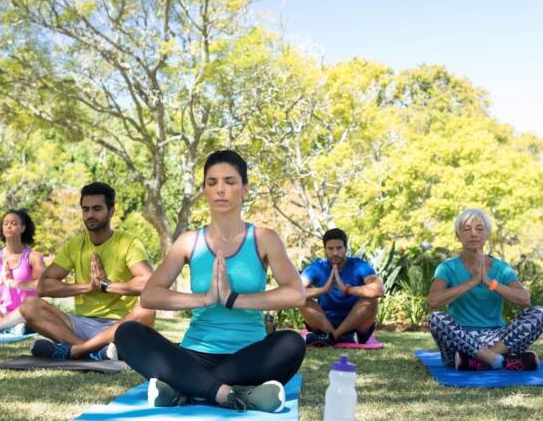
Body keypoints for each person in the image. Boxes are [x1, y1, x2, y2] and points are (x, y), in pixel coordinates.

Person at [115, 150, 306, 413]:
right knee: (128, 332)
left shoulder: (264, 238)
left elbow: (296, 294)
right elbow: (150, 295)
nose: (220, 190)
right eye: (212, 182)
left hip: (248, 358)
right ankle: (230, 393)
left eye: (230, 181)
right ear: (204, 190)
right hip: (194, 355)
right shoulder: (189, 241)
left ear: (245, 189)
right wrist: (203, 299)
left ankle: (185, 388)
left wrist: (233, 299)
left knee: (292, 342)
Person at [19, 182, 155, 360]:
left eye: (97, 208)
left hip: (120, 325)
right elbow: (44, 286)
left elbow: (149, 283)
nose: (90, 214)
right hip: (81, 323)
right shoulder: (75, 245)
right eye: (86, 209)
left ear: (112, 211)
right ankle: (92, 351)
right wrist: (88, 287)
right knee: (29, 306)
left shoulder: (128, 243)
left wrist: (106, 285)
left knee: (147, 311)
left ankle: (76, 349)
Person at [427, 208, 543, 371]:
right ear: (458, 235)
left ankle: (481, 360)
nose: (474, 233)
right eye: (467, 229)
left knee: (539, 313)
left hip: (497, 340)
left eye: (480, 228)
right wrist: (472, 282)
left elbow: (524, 298)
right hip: (460, 340)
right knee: (436, 319)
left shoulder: (501, 268)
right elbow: (433, 301)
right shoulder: (447, 267)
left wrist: (489, 282)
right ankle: (500, 362)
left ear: (487, 234)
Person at [300, 228, 384, 346]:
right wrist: (323, 289)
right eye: (330, 248)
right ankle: (336, 336)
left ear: (346, 248)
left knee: (372, 298)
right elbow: (294, 292)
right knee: (301, 299)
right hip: (324, 325)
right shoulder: (317, 267)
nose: (335, 253)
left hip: (356, 326)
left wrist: (347, 289)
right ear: (325, 249)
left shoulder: (358, 265)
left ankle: (332, 337)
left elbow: (379, 290)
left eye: (339, 248)